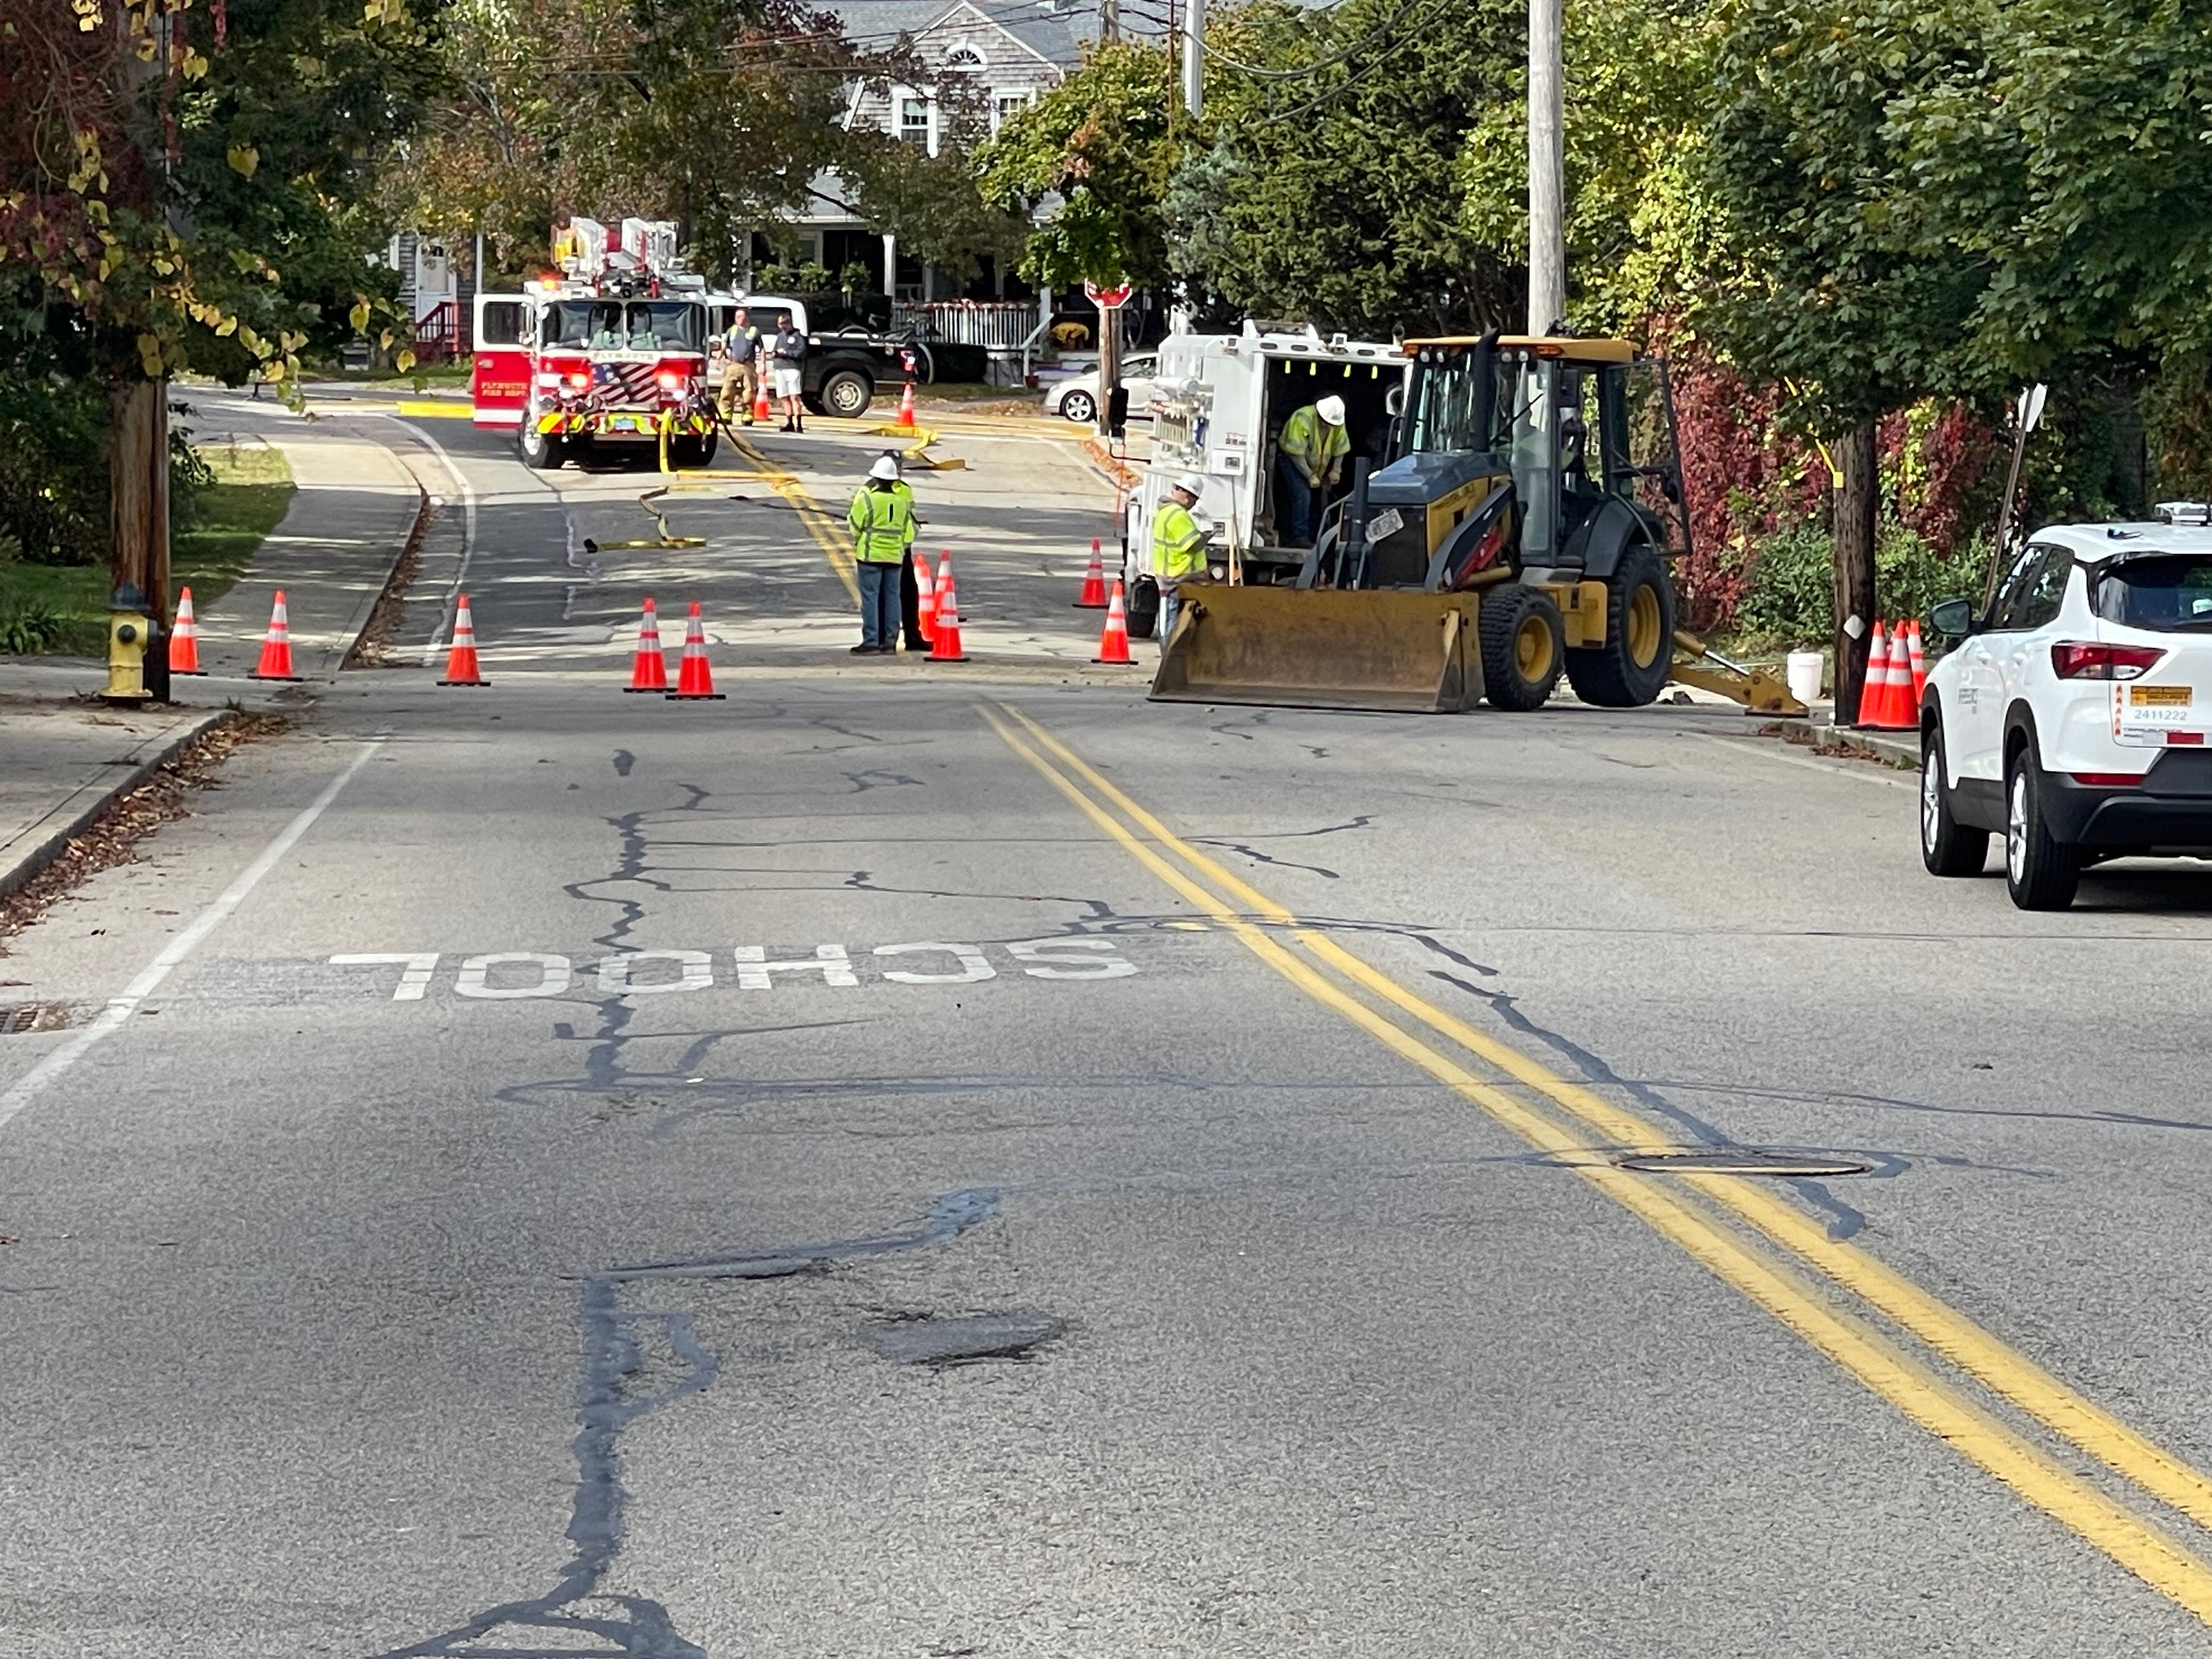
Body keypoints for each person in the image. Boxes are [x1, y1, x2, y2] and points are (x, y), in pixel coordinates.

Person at [847, 455, 915, 653]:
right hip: (895, 557)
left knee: (871, 599)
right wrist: (901, 546)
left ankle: (871, 641)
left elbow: (855, 526)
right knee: (893, 598)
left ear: (876, 478)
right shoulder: (902, 499)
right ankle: (890, 642)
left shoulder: (868, 498)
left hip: (870, 556)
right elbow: (910, 529)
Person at [1275, 393, 1350, 546]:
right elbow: (1295, 453)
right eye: (1326, 423)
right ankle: (1300, 537)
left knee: (1316, 499)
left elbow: (1341, 447)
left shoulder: (1337, 423)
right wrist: (1309, 475)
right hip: (1292, 461)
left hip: (1316, 465)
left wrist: (1336, 470)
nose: (1328, 427)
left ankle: (1315, 537)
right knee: (1303, 495)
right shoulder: (1302, 418)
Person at [1151, 472, 1208, 639]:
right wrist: (1207, 537)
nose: (1193, 502)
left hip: (1169, 573)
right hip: (1178, 574)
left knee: (1170, 613)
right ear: (1182, 492)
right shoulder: (1178, 515)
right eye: (1192, 497)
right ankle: (1170, 648)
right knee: (1173, 617)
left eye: (1195, 498)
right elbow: (1192, 544)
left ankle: (1168, 644)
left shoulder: (1165, 511)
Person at [716, 307, 759, 427]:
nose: (739, 319)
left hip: (748, 365)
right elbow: (725, 344)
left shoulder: (754, 331)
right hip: (733, 364)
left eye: (742, 316)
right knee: (727, 390)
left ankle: (747, 416)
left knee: (749, 392)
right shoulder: (732, 330)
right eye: (737, 317)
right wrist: (720, 354)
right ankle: (726, 416)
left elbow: (762, 349)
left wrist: (763, 364)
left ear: (747, 318)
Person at [770, 311, 808, 432]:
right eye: (780, 325)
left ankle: (799, 424)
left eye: (783, 324)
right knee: (784, 397)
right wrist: (775, 354)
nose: (782, 327)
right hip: (780, 368)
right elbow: (774, 350)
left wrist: (787, 353)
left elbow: (801, 352)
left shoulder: (798, 337)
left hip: (793, 369)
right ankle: (789, 422)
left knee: (794, 396)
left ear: (789, 323)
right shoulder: (780, 336)